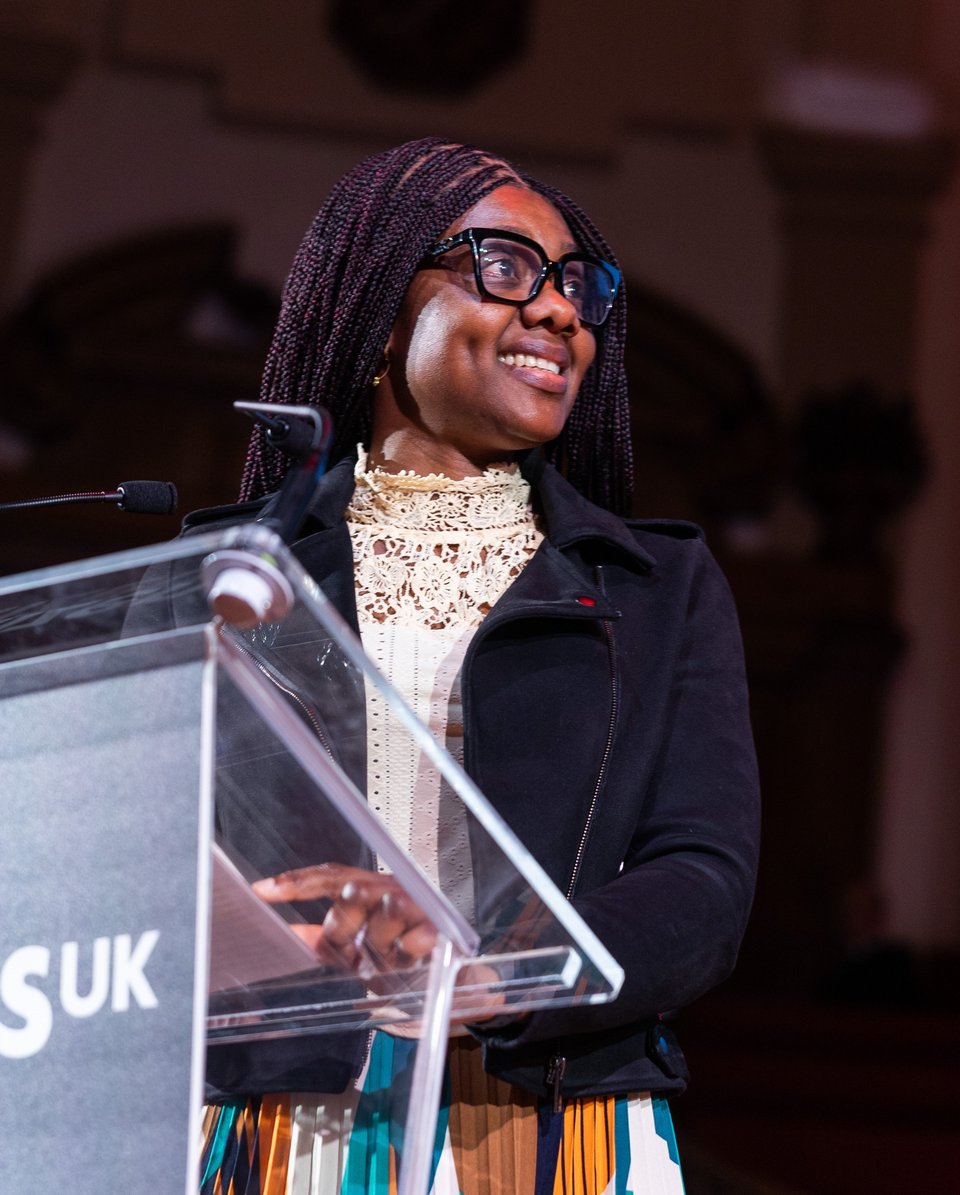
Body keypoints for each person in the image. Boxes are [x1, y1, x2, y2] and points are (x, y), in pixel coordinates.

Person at [193, 137, 760, 1194]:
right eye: (503, 268)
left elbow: (705, 885)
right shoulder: (229, 579)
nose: (558, 312)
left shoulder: (652, 588)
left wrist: (489, 971)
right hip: (285, 1120)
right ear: (378, 310)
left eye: (577, 288)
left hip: (550, 1123)